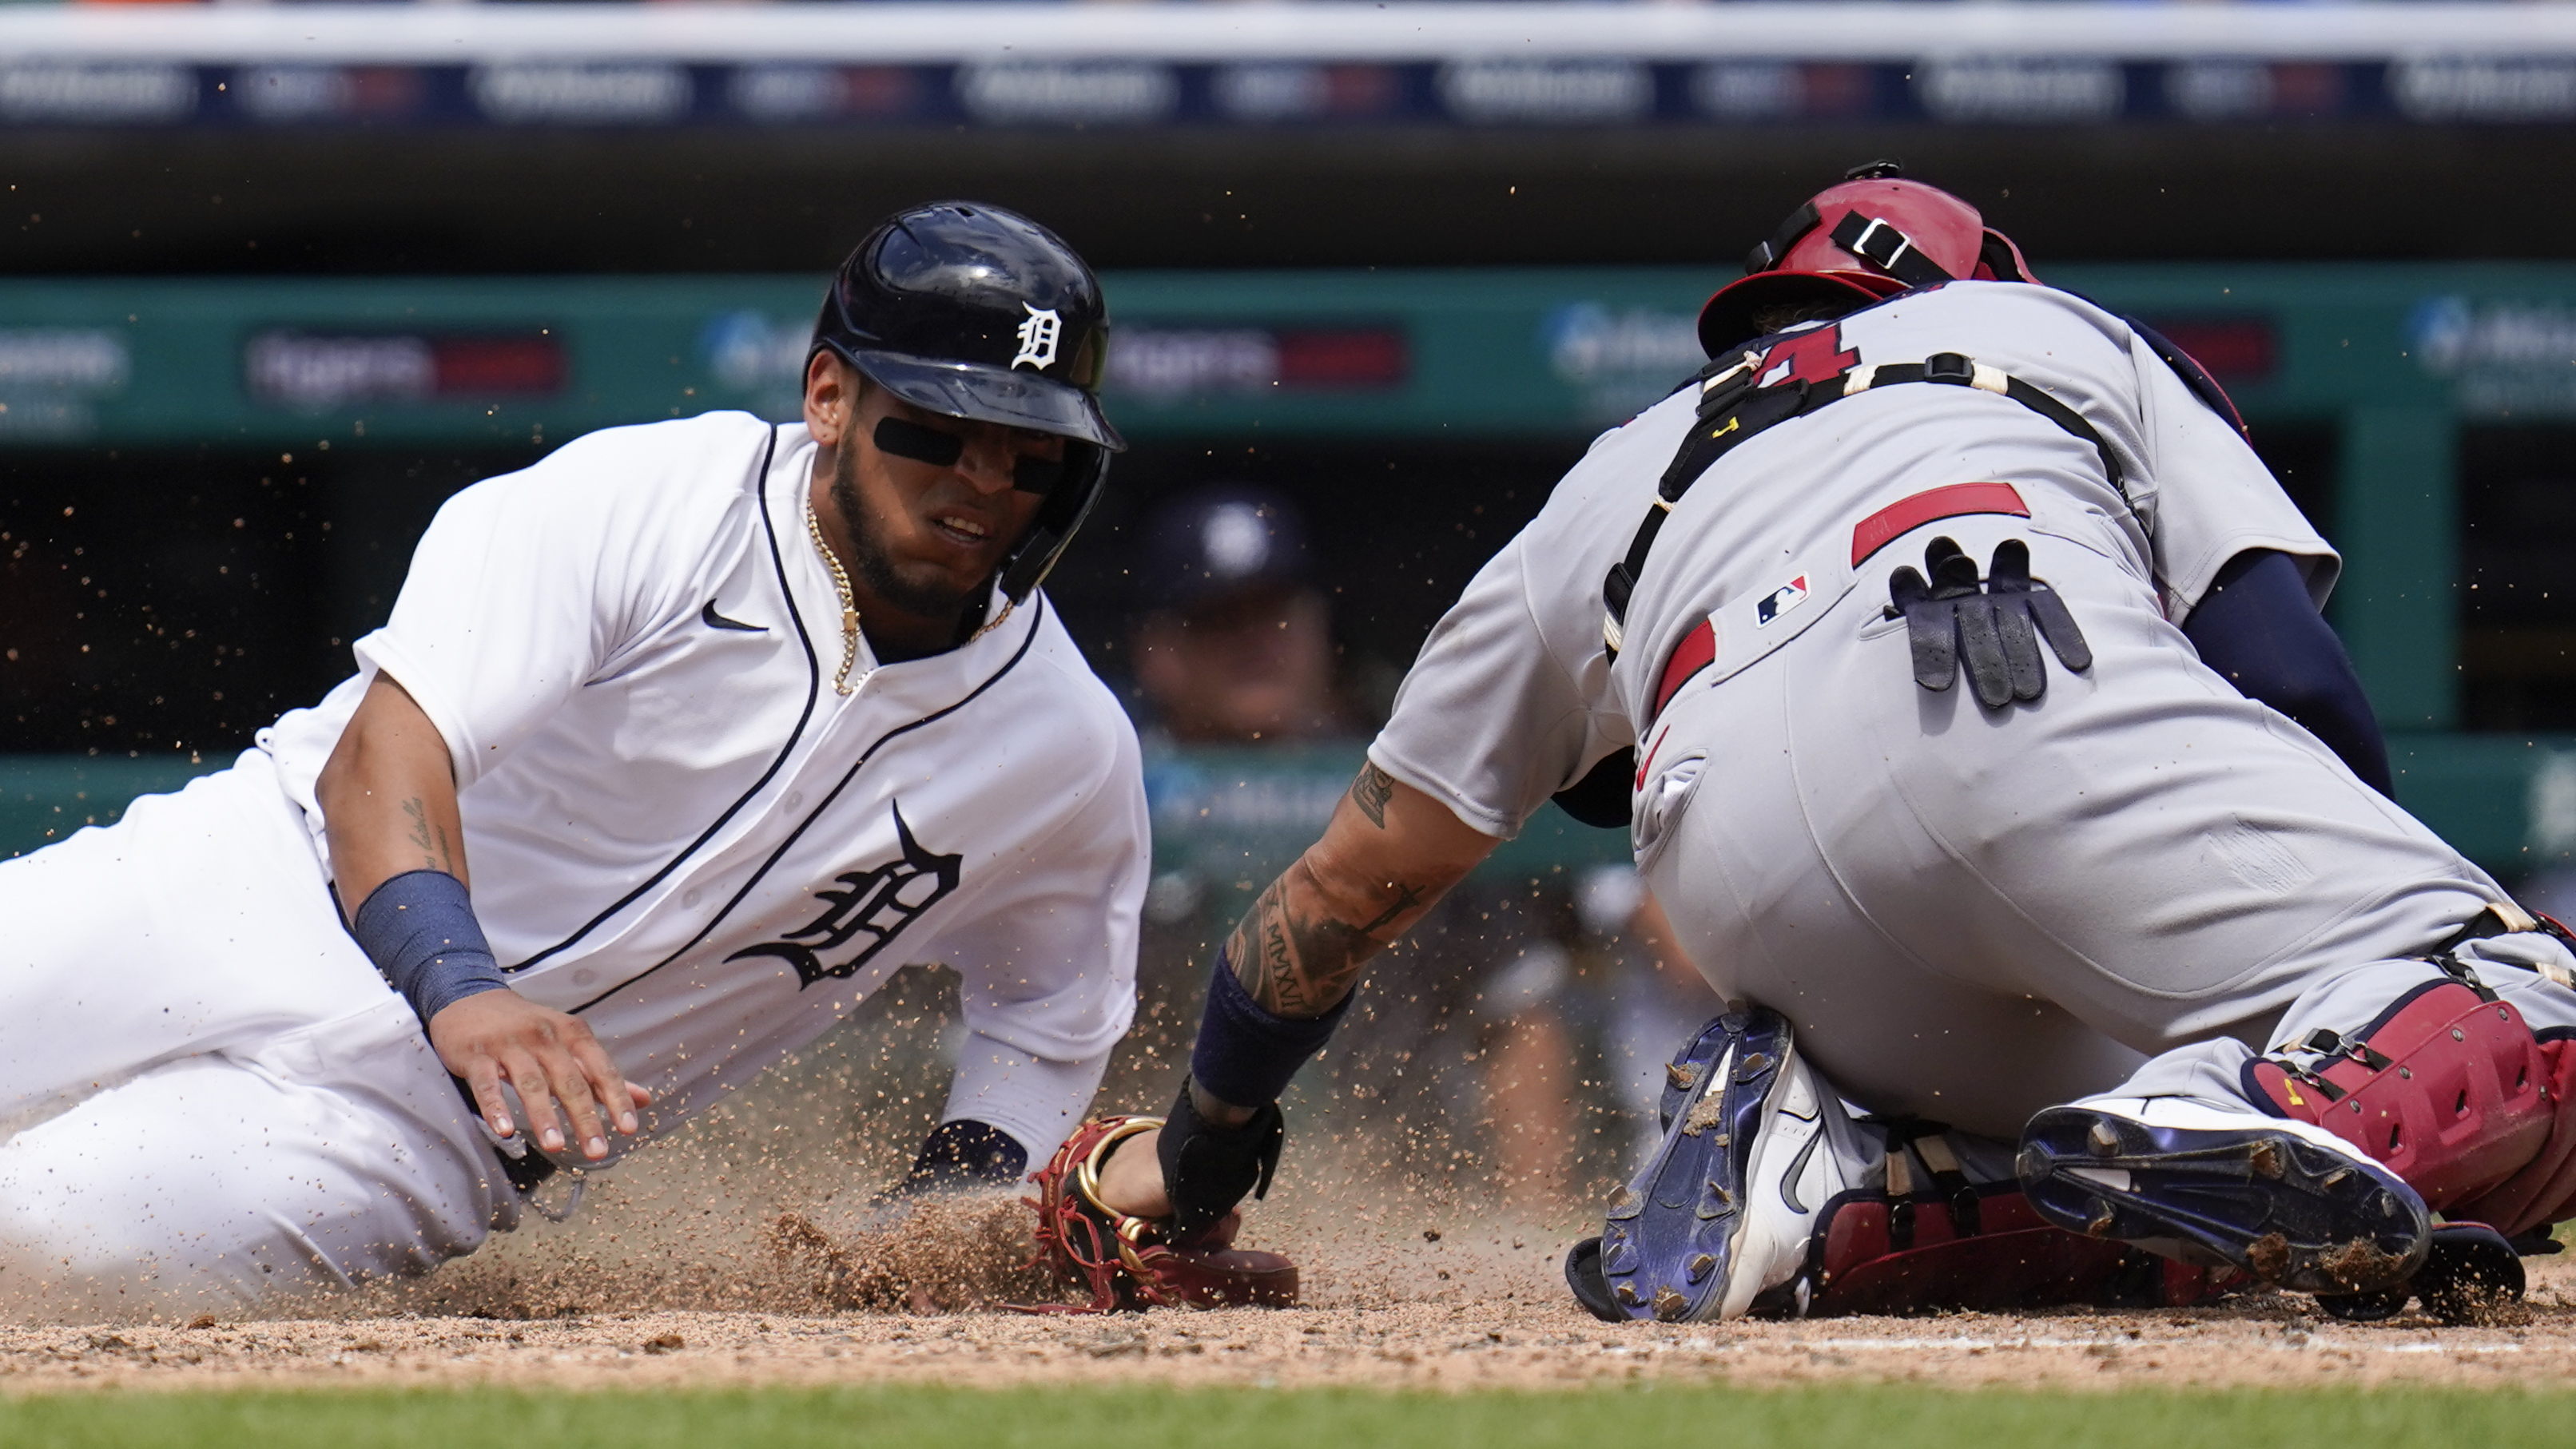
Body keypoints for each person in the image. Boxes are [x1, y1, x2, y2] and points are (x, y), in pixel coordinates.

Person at [1087, 165, 2576, 1324]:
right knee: (2520, 995)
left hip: (1738, 870)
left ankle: (1839, 1190)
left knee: (2126, 1165)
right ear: (1967, 285)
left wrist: (1205, 1154)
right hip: (2023, 681)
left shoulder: (1610, 479)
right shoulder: (2057, 329)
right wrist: (2359, 969)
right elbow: (2293, 680)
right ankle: (2247, 1090)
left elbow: (1350, 885)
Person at [0, 200, 1151, 1320]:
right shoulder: (653, 506)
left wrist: (954, 1211)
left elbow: (1049, 1015)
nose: (983, 482)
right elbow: (382, 758)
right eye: (937, 431)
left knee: (32, 1248)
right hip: (250, 887)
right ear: (830, 397)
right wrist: (464, 984)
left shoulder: (1065, 753)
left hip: (427, 1135)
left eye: (1028, 454)